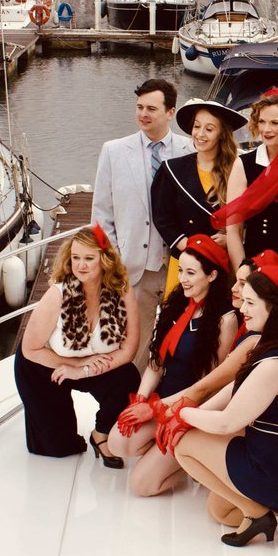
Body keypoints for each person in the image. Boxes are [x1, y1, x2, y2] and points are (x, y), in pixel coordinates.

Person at [168, 262, 278, 547]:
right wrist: (191, 411)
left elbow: (227, 423)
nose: (243, 309)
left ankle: (259, 512)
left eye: (251, 303)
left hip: (275, 467)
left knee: (183, 444)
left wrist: (181, 413)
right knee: (220, 512)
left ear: (274, 308)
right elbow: (238, 387)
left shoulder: (274, 365)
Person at [108, 233, 237, 496]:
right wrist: (140, 401)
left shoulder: (226, 320)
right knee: (117, 442)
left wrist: (155, 409)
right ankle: (166, 455)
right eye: (181, 271)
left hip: (190, 410)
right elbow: (156, 362)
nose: (182, 279)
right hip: (162, 402)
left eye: (191, 273)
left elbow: (209, 385)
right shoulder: (178, 303)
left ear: (212, 275)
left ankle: (190, 460)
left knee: (141, 486)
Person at [14, 225, 140, 465]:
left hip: (91, 364)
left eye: (89, 258)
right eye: (75, 258)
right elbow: (31, 349)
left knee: (128, 379)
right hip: (42, 366)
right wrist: (78, 363)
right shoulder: (57, 294)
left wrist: (83, 370)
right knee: (58, 448)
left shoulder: (122, 293)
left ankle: (101, 434)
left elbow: (129, 350)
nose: (80, 265)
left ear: (105, 260)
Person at [92, 77, 192, 367]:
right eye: (139, 107)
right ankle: (133, 390)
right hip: (134, 268)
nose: (143, 114)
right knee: (133, 343)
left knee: (181, 340)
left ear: (170, 112)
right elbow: (101, 215)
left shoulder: (190, 150)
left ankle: (170, 388)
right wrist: (115, 261)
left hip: (179, 265)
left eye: (151, 108)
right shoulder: (113, 151)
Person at [151, 97, 244, 290]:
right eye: (196, 126)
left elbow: (249, 217)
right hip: (184, 263)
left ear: (222, 134)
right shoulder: (172, 170)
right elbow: (163, 219)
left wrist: (231, 239)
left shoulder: (238, 171)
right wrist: (194, 249)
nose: (200, 134)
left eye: (209, 129)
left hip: (221, 264)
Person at [212, 87, 278, 269]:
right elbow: (233, 229)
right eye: (262, 121)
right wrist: (241, 271)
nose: (266, 130)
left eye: (275, 123)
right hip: (253, 264)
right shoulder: (244, 164)